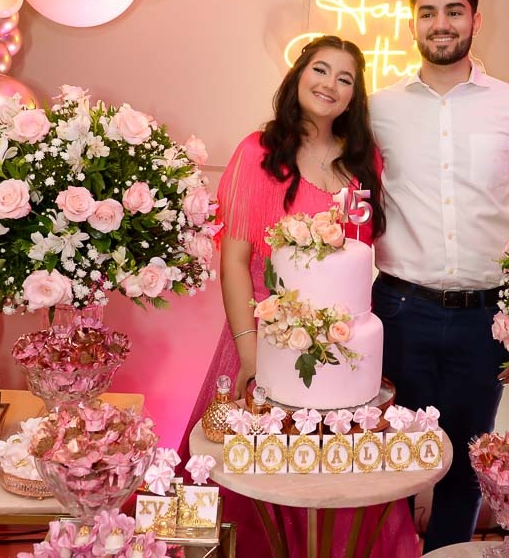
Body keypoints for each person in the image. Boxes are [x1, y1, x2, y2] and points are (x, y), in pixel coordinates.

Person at [178, 35, 417, 557]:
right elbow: (234, 262)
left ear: (353, 98)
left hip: (342, 352)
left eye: (345, 79)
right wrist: (250, 352)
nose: (330, 85)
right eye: (320, 70)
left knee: (337, 483)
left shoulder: (363, 162)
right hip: (263, 336)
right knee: (258, 482)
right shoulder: (258, 153)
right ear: (299, 76)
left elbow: (357, 256)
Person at [369, 0, 509, 551]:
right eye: (427, 12)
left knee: (468, 459)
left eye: (453, 11)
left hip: (486, 317)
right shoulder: (378, 109)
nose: (440, 23)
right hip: (399, 310)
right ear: (412, 23)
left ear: (475, 19)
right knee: (391, 457)